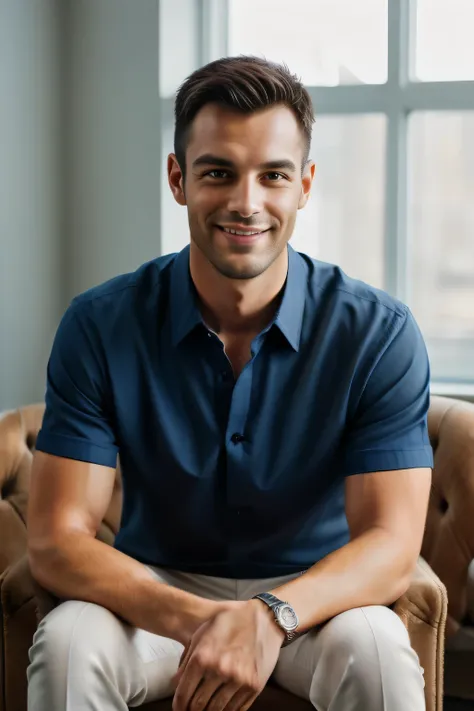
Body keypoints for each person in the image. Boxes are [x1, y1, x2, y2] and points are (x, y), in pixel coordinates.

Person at [27, 56, 433, 711]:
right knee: (71, 642)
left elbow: (391, 541)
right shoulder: (100, 324)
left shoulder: (378, 333)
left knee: (379, 652)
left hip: (313, 600)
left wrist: (272, 614)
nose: (247, 203)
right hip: (157, 594)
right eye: (218, 172)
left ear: (303, 185)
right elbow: (56, 538)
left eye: (272, 175)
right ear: (177, 178)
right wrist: (203, 621)